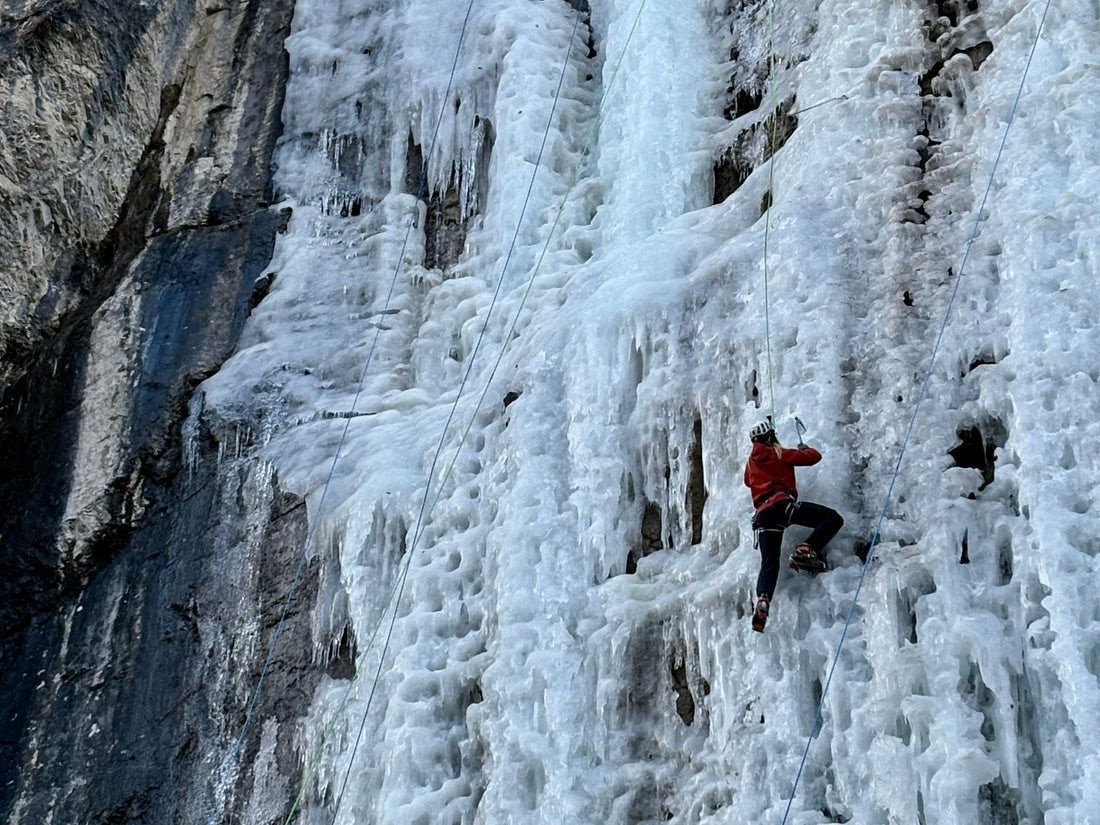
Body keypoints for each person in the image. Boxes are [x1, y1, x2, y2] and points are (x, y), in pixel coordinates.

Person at [743, 417, 843, 632]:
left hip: (762, 516)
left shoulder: (751, 463)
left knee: (769, 561)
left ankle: (763, 600)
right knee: (833, 518)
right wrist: (804, 448)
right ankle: (807, 548)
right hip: (782, 505)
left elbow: (747, 481)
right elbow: (814, 457)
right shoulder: (779, 454)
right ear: (770, 436)